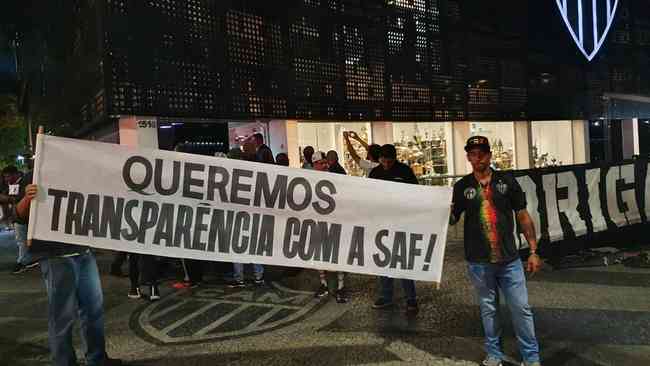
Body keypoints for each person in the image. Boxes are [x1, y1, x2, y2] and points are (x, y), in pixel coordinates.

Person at [450, 136, 542, 366]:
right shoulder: (462, 187)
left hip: (509, 260)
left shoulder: (507, 181)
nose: (477, 157)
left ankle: (531, 358)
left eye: (482, 152)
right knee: (488, 310)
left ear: (490, 155)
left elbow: (522, 215)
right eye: (473, 153)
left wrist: (533, 250)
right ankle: (494, 354)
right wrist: (439, 208)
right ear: (468, 157)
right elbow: (452, 219)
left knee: (521, 309)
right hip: (479, 262)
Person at [16, 182, 122, 365]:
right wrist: (27, 198)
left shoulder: (80, 168)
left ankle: (97, 359)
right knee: (62, 315)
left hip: (83, 251)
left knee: (93, 310)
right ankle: (64, 362)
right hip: (55, 256)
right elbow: (18, 216)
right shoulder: (37, 171)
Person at [368, 144, 419, 314]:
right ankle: (386, 296)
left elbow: (417, 193)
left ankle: (411, 299)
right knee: (383, 261)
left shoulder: (405, 171)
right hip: (382, 224)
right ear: (380, 158)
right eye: (384, 160)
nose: (387, 164)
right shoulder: (375, 173)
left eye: (390, 161)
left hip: (402, 224)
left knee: (403, 262)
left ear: (394, 158)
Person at [311, 151, 348, 303]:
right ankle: (324, 284)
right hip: (319, 222)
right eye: (321, 163)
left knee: (337, 255)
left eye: (325, 162)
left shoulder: (335, 177)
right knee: (319, 255)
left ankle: (340, 287)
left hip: (334, 222)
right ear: (315, 165)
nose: (325, 165)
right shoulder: (310, 179)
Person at [229, 138, 265, 287]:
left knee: (237, 247)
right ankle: (258, 276)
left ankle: (239, 278)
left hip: (238, 215)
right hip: (255, 214)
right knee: (254, 247)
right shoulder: (260, 168)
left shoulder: (235, 172)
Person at [1, 166, 36, 274]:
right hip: (19, 216)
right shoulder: (13, 184)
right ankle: (27, 260)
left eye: (8, 176)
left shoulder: (24, 181)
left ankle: (23, 262)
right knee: (22, 240)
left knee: (22, 240)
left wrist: (8, 199)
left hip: (22, 217)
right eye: (5, 177)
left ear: (15, 174)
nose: (7, 179)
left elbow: (16, 199)